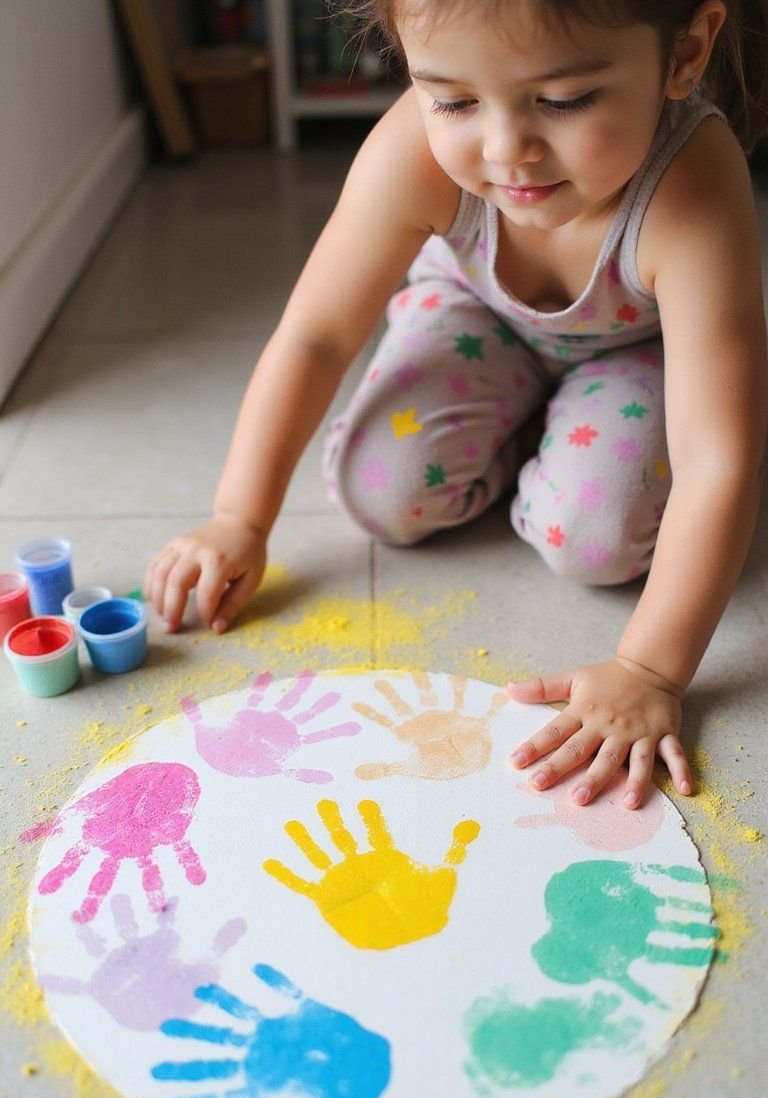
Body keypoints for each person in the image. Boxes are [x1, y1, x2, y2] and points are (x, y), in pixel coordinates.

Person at [145, 0, 768, 810]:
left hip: (636, 352)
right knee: (384, 492)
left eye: (565, 99)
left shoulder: (693, 183)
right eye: (453, 101)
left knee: (596, 539)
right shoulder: (412, 152)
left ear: (683, 53)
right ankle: (524, 434)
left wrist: (650, 670)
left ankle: (558, 437)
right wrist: (239, 517)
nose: (506, 150)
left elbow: (718, 456)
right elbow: (316, 338)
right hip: (475, 316)